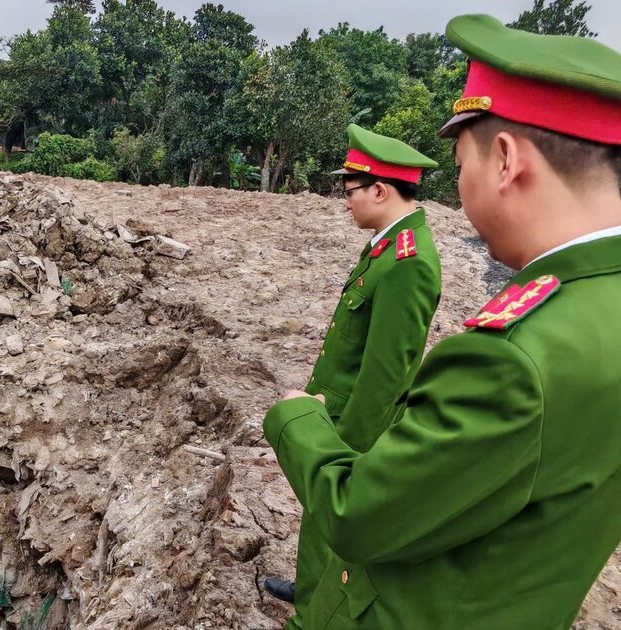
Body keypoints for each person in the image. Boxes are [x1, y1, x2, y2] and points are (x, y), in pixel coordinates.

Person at [263, 14, 621, 628]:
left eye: (460, 164)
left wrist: (296, 414)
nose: (456, 184)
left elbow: (360, 513)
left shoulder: (512, 359)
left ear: (505, 160)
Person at [262, 125, 442, 625]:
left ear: (380, 190)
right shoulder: (387, 247)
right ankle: (311, 589)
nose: (345, 203)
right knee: (319, 520)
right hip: (333, 407)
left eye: (350, 192)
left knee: (334, 514)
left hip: (353, 422)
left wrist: (348, 450)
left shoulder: (409, 263)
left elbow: (387, 374)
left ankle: (317, 608)